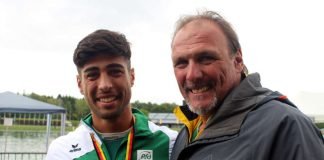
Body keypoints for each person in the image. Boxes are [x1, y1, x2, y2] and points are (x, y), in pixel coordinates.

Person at [170, 10, 324, 160]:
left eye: (206, 58)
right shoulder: (187, 134)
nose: (192, 75)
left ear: (237, 61)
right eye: (181, 63)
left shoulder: (286, 127)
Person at [46, 29, 177, 160]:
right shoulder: (61, 152)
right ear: (80, 84)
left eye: (115, 71)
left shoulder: (171, 143)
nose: (104, 85)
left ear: (131, 76)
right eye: (92, 75)